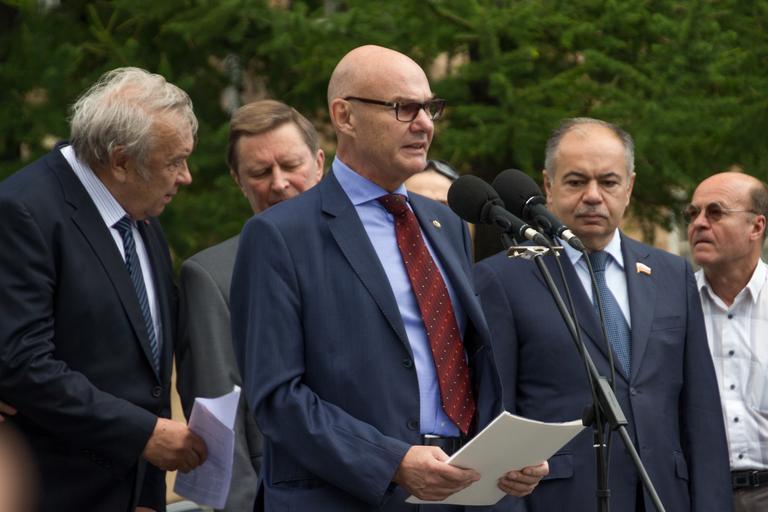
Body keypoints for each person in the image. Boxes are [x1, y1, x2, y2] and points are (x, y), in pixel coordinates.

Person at [230, 45, 548, 511]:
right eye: (404, 108)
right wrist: (391, 462)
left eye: (430, 108)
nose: (424, 124)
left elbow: (463, 362)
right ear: (345, 117)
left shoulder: (446, 224)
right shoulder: (280, 235)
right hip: (345, 496)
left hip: (458, 488)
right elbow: (277, 397)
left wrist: (505, 454)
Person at [475, 117, 732, 511]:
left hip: (664, 496)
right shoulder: (504, 278)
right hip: (561, 500)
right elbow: (497, 418)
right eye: (576, 181)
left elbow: (701, 413)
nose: (593, 196)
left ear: (629, 186)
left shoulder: (671, 273)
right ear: (548, 185)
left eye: (609, 182)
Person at [0, 67, 207, 512]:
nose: (186, 176)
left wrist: (147, 492)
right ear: (121, 161)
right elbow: (24, 364)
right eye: (174, 161)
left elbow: (147, 371)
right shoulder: (24, 213)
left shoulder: (140, 213)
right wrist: (143, 436)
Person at [175, 99, 324, 511]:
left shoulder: (368, 253)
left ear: (319, 164)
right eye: (260, 172)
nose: (279, 183)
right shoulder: (211, 276)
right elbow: (217, 426)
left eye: (290, 165)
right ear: (238, 181)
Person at [686, 172, 768, 512]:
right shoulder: (673, 304)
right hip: (699, 494)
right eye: (692, 213)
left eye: (715, 212)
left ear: (756, 227)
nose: (698, 224)